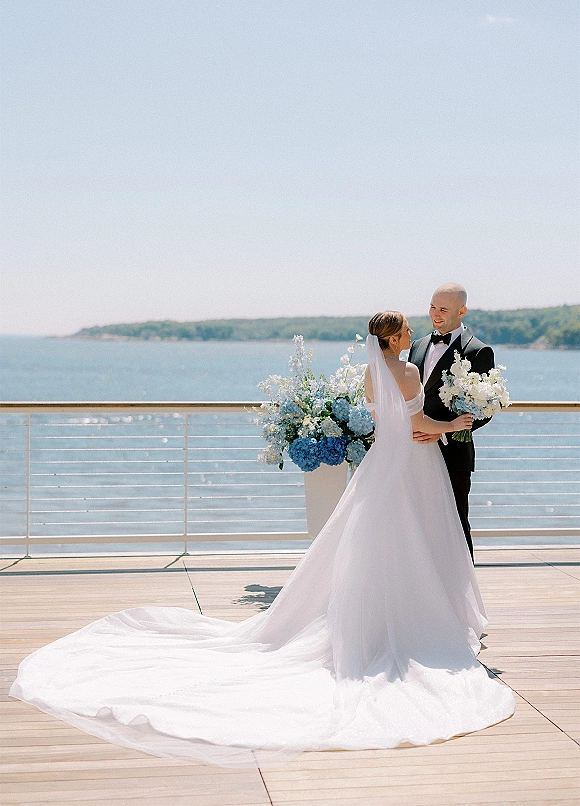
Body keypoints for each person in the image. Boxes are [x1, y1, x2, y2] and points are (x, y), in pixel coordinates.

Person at [10, 312, 514, 768]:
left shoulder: (370, 373)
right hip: (413, 462)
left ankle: (378, 611)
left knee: (373, 539)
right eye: (405, 330)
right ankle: (412, 617)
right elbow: (416, 420)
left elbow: (386, 420)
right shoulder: (407, 372)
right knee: (416, 537)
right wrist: (454, 423)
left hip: (383, 461)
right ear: (394, 338)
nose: (412, 334)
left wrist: (423, 425)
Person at [409, 283, 495, 559]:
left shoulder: (479, 352)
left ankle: (463, 597)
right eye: (433, 306)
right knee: (417, 526)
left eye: (443, 309)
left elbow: (484, 410)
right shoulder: (418, 346)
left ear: (462, 311)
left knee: (456, 525)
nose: (435, 313)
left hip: (453, 453)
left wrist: (443, 432)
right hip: (415, 451)